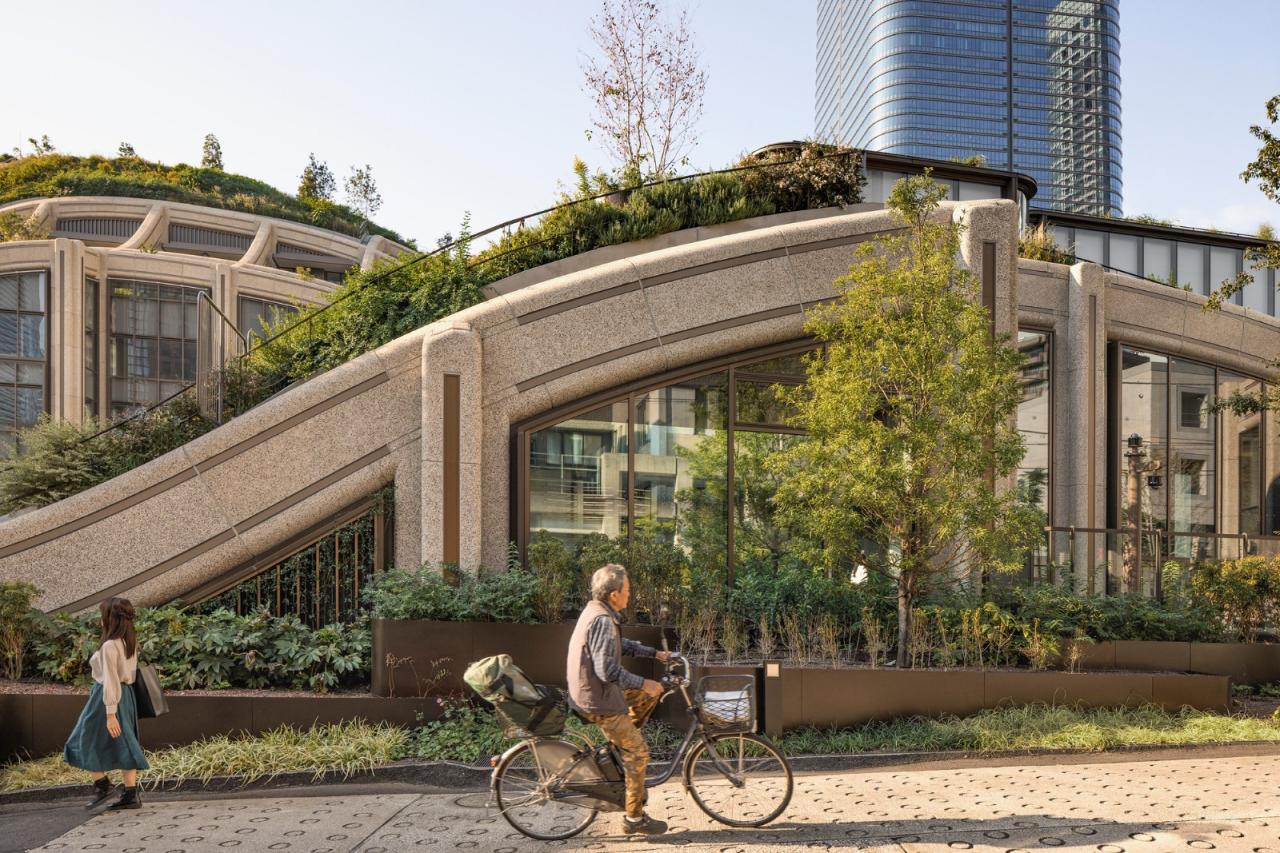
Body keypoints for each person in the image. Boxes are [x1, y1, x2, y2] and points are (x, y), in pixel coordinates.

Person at [565, 564, 671, 836]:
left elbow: (618, 645)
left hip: (594, 691)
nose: (629, 595)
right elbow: (607, 670)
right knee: (639, 753)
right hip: (598, 698)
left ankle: (620, 748)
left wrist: (653, 654)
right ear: (614, 594)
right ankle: (634, 820)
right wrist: (644, 682)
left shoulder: (598, 612)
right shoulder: (602, 620)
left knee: (647, 696)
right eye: (628, 590)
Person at [64, 597, 149, 811]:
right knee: (125, 741)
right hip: (125, 697)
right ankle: (130, 794)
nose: (100, 618)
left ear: (110, 618)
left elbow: (111, 680)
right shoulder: (129, 641)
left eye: (102, 614)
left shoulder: (110, 645)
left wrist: (110, 713)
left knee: (81, 739)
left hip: (107, 698)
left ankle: (103, 785)